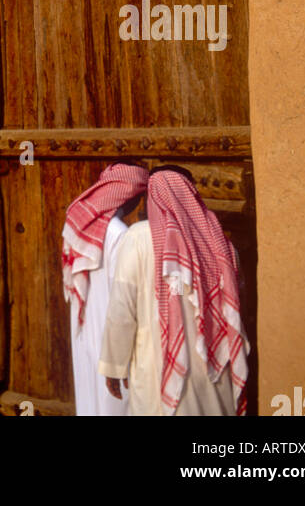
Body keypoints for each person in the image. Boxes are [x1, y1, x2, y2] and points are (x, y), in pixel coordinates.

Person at [98, 167, 249, 416]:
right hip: (213, 370)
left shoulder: (138, 238)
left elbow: (122, 308)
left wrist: (115, 365)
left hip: (157, 366)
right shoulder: (220, 244)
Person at [61, 162, 148, 415]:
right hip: (111, 332)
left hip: (87, 326)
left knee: (91, 396)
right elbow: (125, 294)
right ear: (130, 196)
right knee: (114, 402)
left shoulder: (80, 225)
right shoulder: (120, 234)